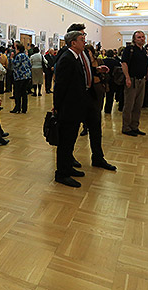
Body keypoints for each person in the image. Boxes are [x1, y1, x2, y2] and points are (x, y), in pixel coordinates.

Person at [53, 31, 115, 188]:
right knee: (67, 139)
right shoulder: (67, 58)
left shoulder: (79, 56)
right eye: (82, 39)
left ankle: (69, 167)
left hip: (82, 100)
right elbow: (60, 85)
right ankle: (62, 173)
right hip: (70, 104)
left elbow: (83, 73)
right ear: (73, 42)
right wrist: (57, 106)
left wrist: (97, 71)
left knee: (74, 135)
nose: (84, 42)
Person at [121, 31, 148, 136]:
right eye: (139, 37)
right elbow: (124, 64)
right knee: (129, 105)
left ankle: (134, 126)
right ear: (134, 39)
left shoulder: (144, 51)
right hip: (132, 80)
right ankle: (126, 127)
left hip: (142, 81)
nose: (141, 39)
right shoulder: (129, 49)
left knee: (138, 106)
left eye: (143, 37)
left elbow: (147, 67)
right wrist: (127, 78)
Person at [10, 42, 31, 114]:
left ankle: (17, 108)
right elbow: (29, 65)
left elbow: (16, 64)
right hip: (27, 76)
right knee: (24, 93)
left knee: (17, 93)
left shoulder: (19, 56)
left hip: (19, 76)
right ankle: (24, 108)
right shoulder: (26, 56)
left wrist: (12, 59)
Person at [102, 49, 120, 114]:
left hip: (103, 80)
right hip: (112, 80)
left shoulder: (103, 61)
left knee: (102, 95)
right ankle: (108, 110)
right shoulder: (116, 62)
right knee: (110, 95)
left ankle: (101, 108)